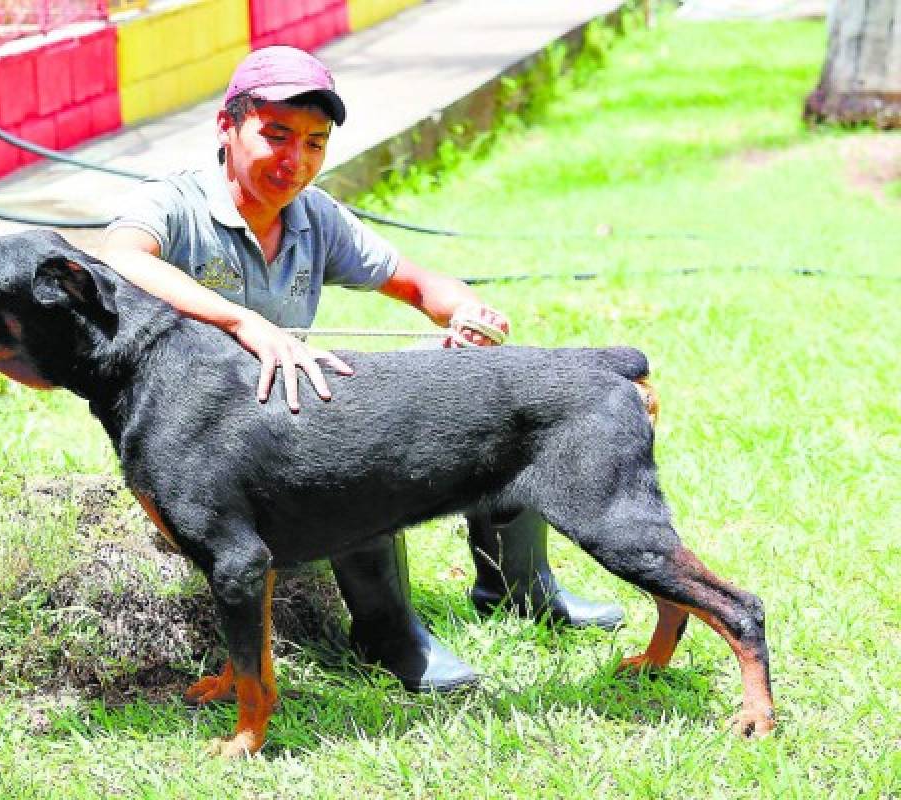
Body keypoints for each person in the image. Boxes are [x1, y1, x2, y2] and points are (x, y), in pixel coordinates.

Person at [92, 46, 623, 693]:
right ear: (227, 128)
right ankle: (388, 634)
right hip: (203, 443)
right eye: (276, 135)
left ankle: (518, 585)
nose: (295, 162)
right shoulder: (179, 204)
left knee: (493, 388)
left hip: (282, 416)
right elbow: (118, 258)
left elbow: (414, 281)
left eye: (315, 143)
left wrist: (461, 308)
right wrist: (243, 323)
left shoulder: (315, 217)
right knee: (355, 439)